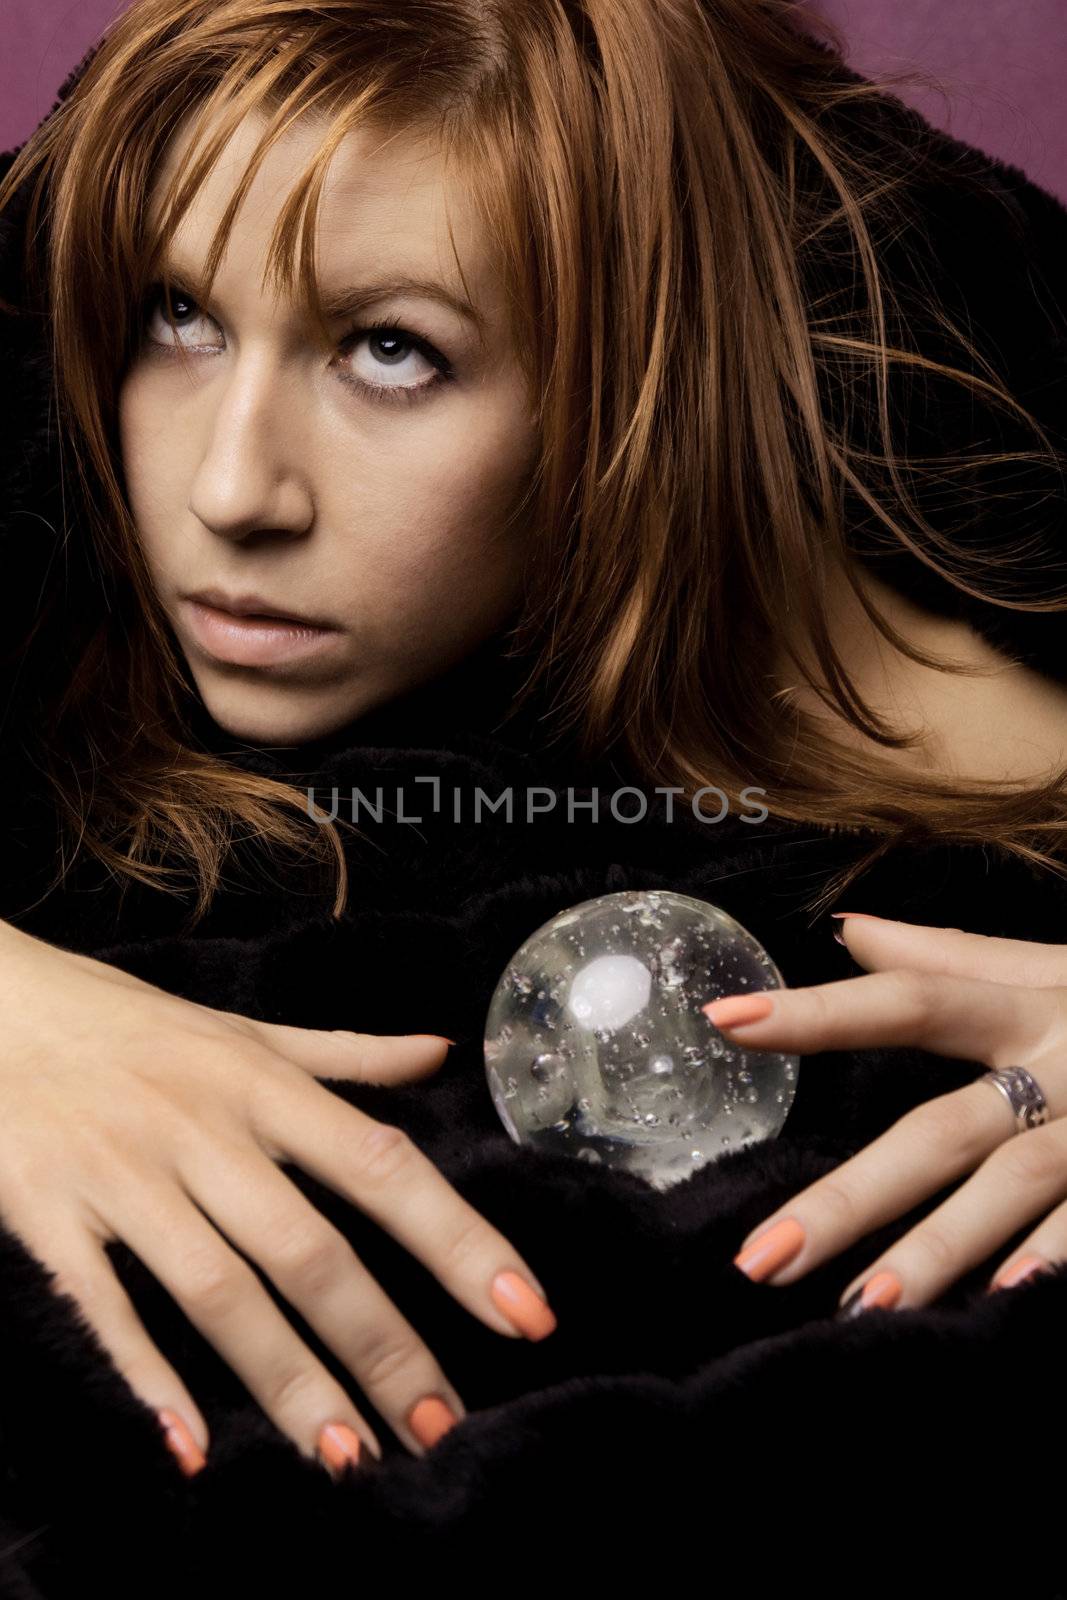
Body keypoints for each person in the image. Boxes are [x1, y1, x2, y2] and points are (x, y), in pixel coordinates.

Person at [1, 0, 1066, 1585]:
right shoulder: (55, 518)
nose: (230, 491)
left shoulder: (913, 584)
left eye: (390, 350)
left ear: (622, 383)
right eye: (179, 316)